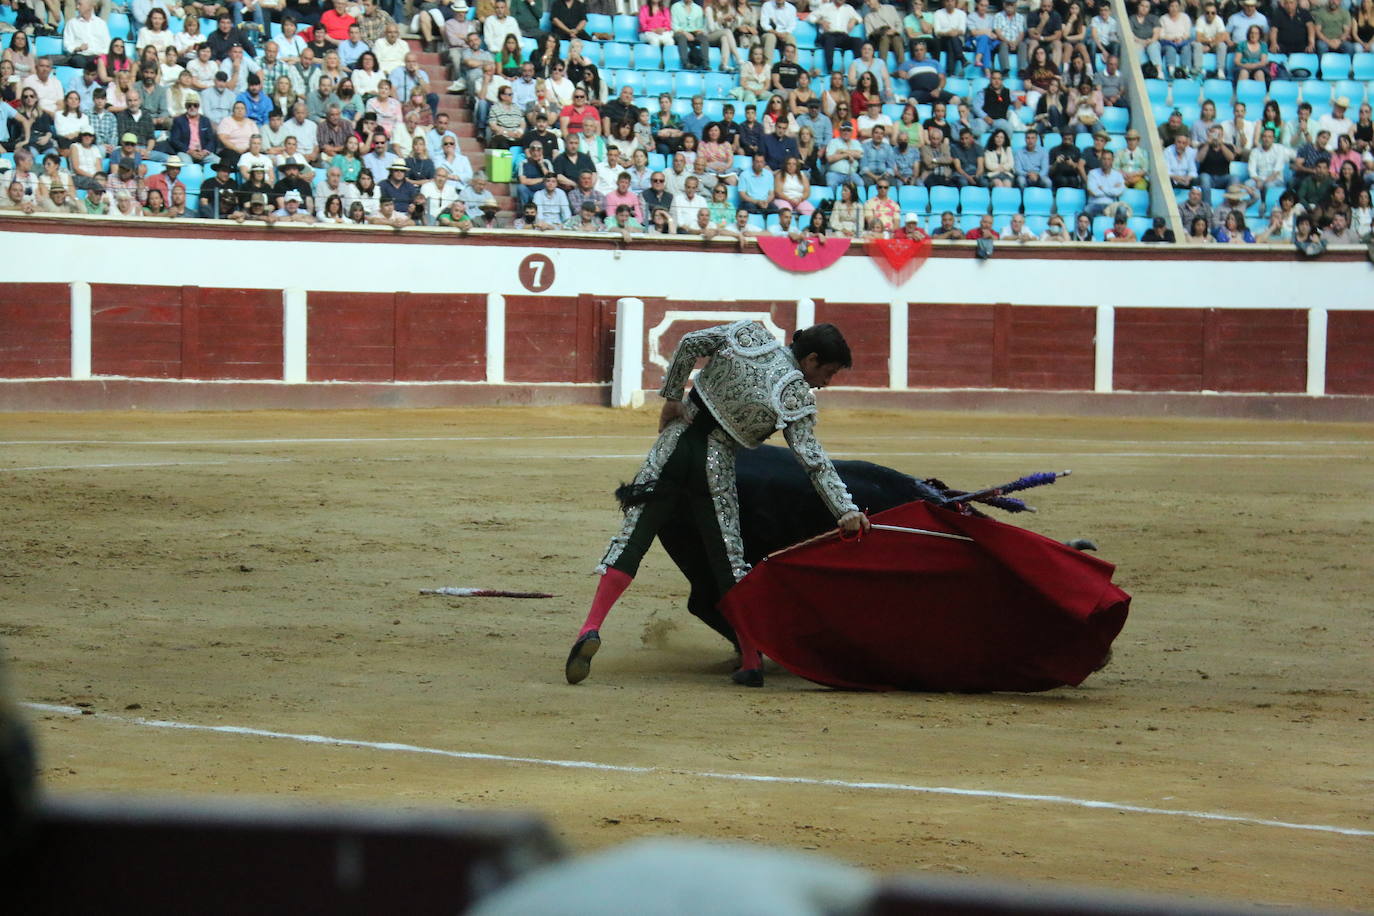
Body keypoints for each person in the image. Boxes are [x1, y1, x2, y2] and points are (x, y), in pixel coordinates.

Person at [565, 321, 870, 689]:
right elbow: (812, 459)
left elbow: (691, 341)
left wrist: (673, 397)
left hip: (673, 447)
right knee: (729, 560)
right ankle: (751, 659)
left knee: (633, 537)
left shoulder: (749, 335)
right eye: (827, 372)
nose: (826, 382)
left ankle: (591, 627)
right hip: (716, 464)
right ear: (811, 358)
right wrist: (845, 510)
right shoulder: (795, 397)